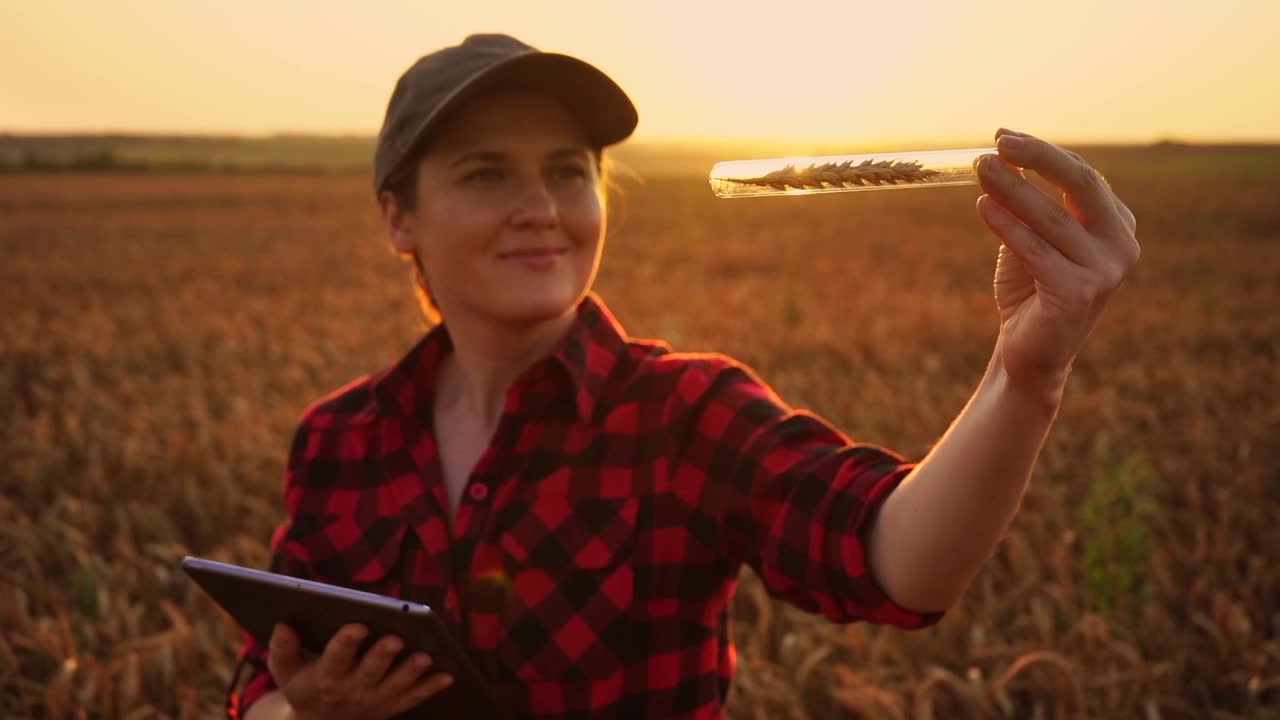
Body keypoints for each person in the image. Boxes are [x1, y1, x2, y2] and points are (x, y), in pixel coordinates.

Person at [227, 33, 1139, 720]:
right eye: (485, 175)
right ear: (399, 219)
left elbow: (893, 559)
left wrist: (1026, 377)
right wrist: (307, 711)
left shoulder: (685, 413)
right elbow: (260, 685)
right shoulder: (341, 439)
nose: (541, 209)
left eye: (567, 172)